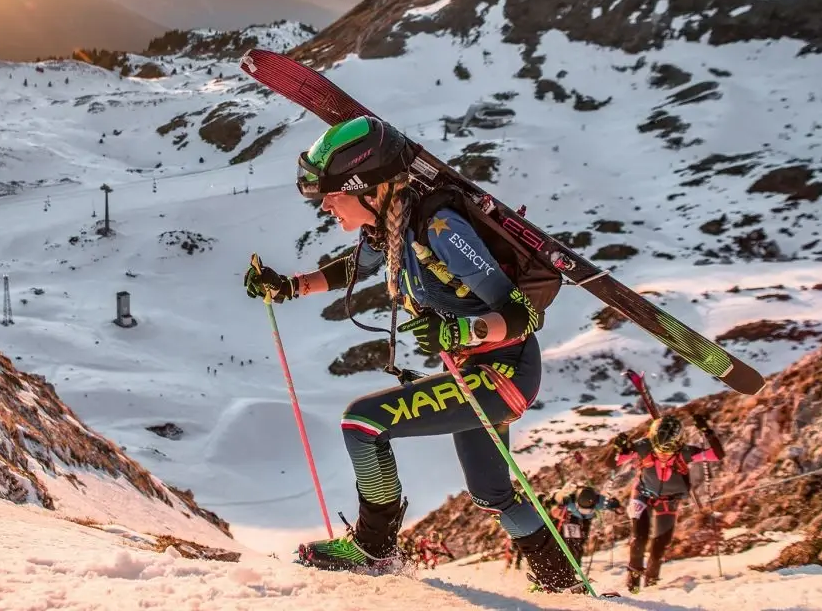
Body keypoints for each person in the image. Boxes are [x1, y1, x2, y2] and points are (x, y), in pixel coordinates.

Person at [243, 116, 580, 591]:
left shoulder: (439, 229)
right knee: (491, 492)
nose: (326, 206)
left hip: (503, 372)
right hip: (475, 371)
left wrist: (464, 329)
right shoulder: (393, 226)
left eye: (332, 194)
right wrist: (289, 287)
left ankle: (372, 548)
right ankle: (565, 588)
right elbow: (350, 271)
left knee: (363, 423)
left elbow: (520, 312)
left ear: (367, 188)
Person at [612, 414, 723, 593]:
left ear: (678, 445)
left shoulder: (685, 452)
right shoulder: (643, 446)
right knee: (639, 538)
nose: (664, 454)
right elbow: (613, 462)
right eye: (660, 450)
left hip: (668, 500)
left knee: (661, 543)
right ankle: (632, 586)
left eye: (669, 450)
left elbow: (717, 455)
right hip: (642, 495)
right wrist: (618, 447)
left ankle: (651, 583)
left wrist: (707, 432)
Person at [551, 485, 621, 566]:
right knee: (573, 542)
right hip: (573, 518)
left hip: (586, 520)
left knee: (581, 540)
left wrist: (615, 505)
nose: (585, 510)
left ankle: (575, 563)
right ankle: (570, 565)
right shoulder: (569, 499)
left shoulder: (599, 500)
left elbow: (619, 510)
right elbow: (554, 513)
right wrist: (560, 506)